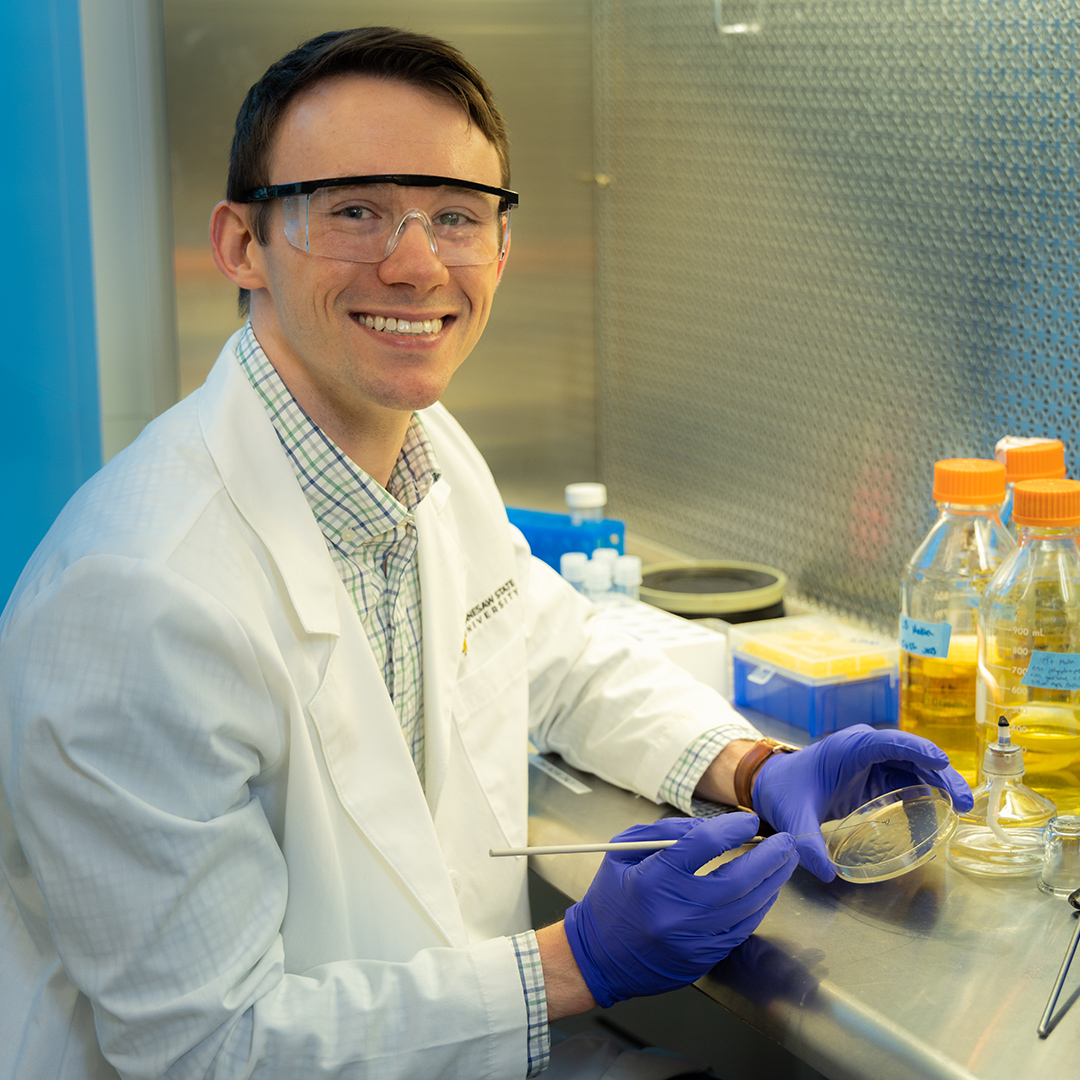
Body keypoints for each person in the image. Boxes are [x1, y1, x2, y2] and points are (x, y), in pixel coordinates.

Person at [0, 26, 972, 1080]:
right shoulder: (135, 596)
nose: (416, 264)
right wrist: (578, 962)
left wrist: (754, 767)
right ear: (242, 244)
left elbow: (551, 654)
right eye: (355, 210)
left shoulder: (422, 451)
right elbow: (204, 1046)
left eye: (457, 217)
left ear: (501, 250)